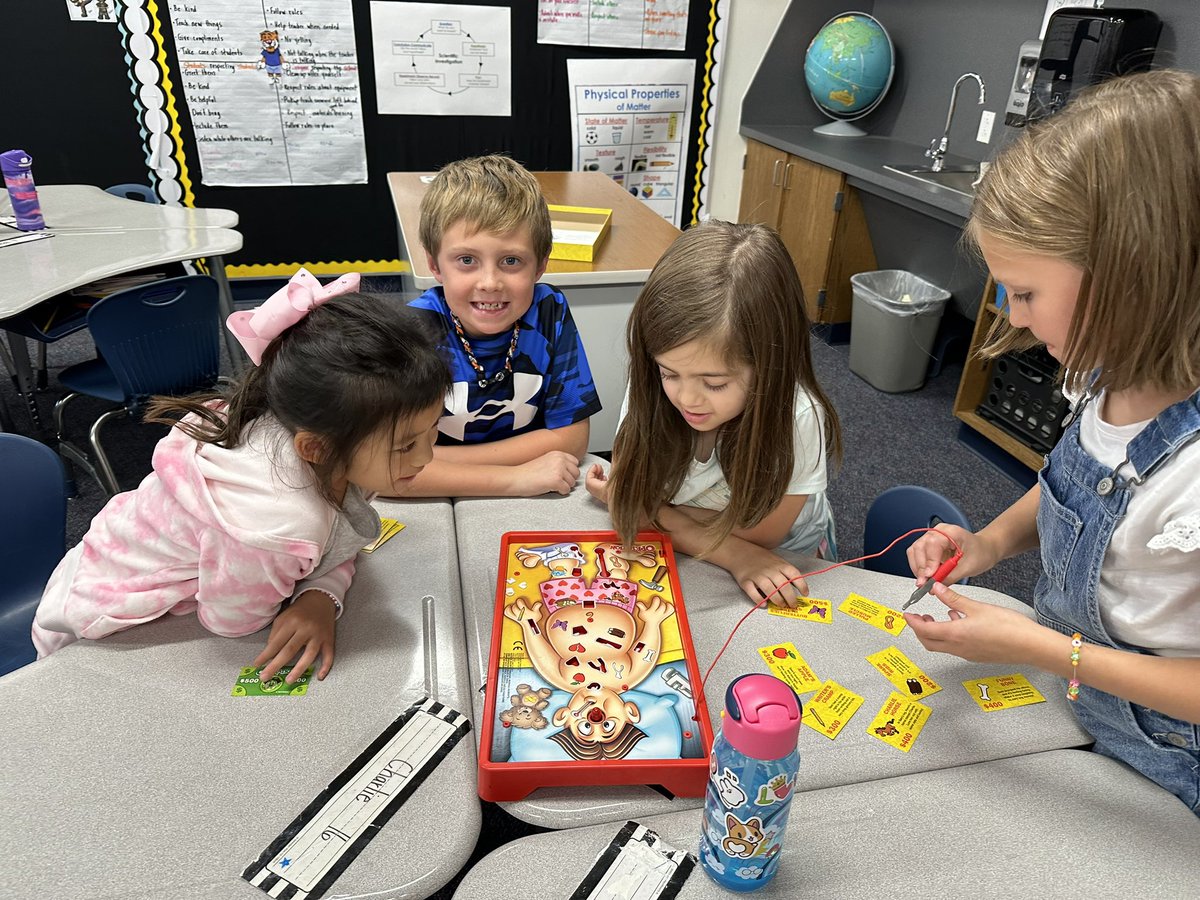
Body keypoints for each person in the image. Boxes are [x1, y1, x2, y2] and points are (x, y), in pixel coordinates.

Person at [905, 70, 1200, 813]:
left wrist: (1040, 647)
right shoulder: (1105, 369)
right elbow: (1075, 485)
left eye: (1028, 294)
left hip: (1167, 767)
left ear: (1133, 279)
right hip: (1072, 698)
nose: (1016, 317)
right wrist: (990, 543)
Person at [32, 269, 452, 683]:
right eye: (406, 445)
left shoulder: (310, 426)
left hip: (97, 563)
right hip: (96, 630)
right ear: (318, 448)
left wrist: (320, 591)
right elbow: (233, 623)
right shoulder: (278, 524)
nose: (426, 457)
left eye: (432, 432)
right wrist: (319, 590)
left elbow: (332, 548)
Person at [586, 220, 842, 608]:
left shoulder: (799, 417)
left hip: (789, 559)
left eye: (715, 383)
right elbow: (630, 499)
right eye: (670, 373)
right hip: (720, 557)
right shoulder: (654, 386)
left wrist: (658, 512)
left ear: (769, 364)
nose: (687, 399)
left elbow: (761, 538)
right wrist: (658, 512)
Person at [406, 154, 602, 497]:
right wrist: (515, 478)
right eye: (467, 260)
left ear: (540, 264)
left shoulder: (548, 311)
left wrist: (435, 462)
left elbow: (571, 440)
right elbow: (385, 471)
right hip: (462, 497)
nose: (490, 283)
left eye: (511, 261)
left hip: (535, 493)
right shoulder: (411, 330)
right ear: (435, 264)